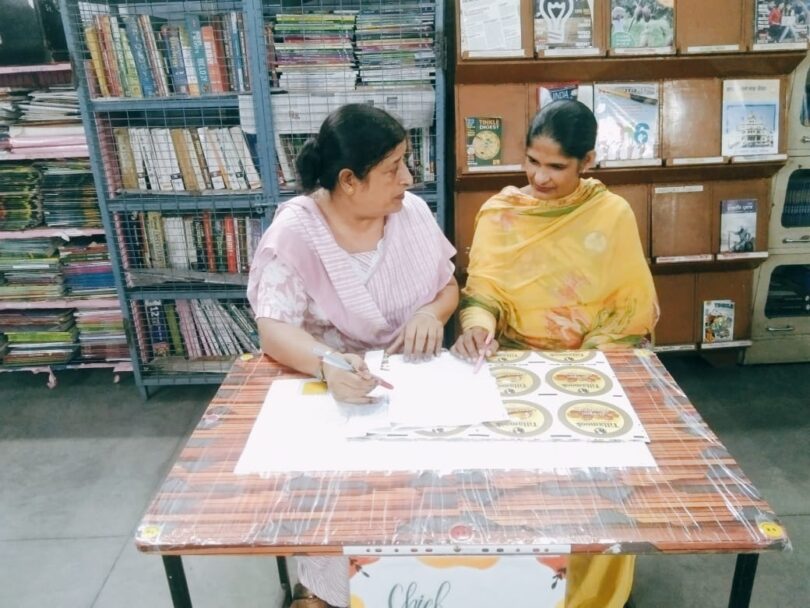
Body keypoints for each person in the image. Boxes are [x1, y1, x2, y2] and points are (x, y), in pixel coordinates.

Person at [247, 103, 458, 607]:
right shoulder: (296, 233)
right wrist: (328, 363)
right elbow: (273, 329)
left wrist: (431, 314)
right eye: (393, 168)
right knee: (338, 501)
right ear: (348, 180)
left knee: (433, 496)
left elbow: (449, 287)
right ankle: (324, 591)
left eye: (406, 163)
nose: (408, 178)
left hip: (417, 386)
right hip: (335, 393)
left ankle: (425, 589)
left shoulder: (412, 215)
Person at [452, 99, 658, 608]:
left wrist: (581, 370)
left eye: (557, 166)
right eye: (532, 161)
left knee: (592, 483)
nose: (540, 177)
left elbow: (627, 307)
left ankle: (585, 593)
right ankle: (514, 585)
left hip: (592, 367)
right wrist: (478, 329)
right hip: (514, 364)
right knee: (513, 487)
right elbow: (484, 291)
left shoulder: (611, 214)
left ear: (587, 161)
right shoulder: (501, 213)